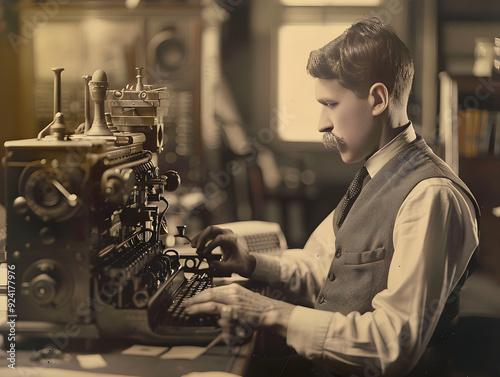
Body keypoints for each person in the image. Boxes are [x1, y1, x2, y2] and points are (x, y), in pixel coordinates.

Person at [183, 17, 480, 377]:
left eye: (331, 104)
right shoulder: (375, 173)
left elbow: (393, 343)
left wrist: (268, 312)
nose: (322, 123)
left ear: (377, 99)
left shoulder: (431, 197)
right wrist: (252, 264)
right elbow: (326, 268)